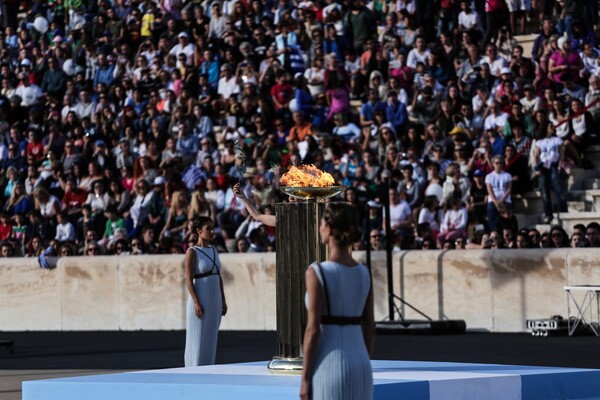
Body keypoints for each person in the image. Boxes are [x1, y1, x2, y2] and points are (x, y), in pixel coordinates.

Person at [300, 203, 374, 400]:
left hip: (329, 363)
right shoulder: (364, 272)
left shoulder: (317, 272)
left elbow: (313, 330)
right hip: (361, 363)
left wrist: (305, 378)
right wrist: (362, 357)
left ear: (330, 228)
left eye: (322, 223)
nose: (320, 228)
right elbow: (370, 326)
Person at [184, 217, 228, 367]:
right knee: (197, 337)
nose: (211, 231)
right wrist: (196, 302)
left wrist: (223, 299)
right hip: (200, 298)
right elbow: (189, 279)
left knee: (211, 336)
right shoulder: (192, 251)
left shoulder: (214, 250)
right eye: (207, 228)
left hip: (214, 298)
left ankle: (208, 368)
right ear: (198, 231)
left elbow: (218, 275)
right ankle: (192, 370)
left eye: (212, 228)